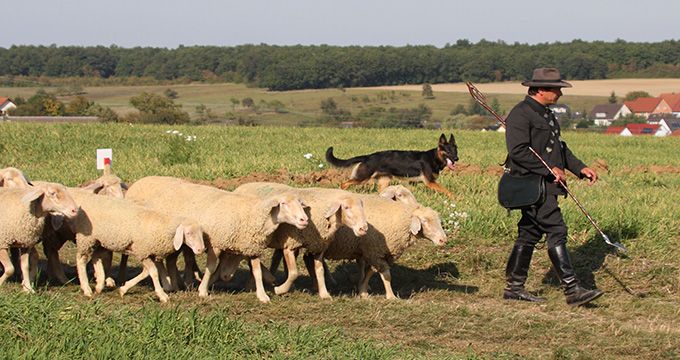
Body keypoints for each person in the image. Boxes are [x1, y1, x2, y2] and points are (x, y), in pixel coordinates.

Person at [502, 68, 603, 306]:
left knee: (529, 233)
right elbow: (518, 152)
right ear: (540, 89)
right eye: (556, 88)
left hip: (546, 183)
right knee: (557, 229)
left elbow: (559, 148)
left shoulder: (546, 114)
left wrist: (580, 168)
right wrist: (549, 168)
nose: (560, 92)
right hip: (532, 184)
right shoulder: (520, 114)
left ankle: (514, 288)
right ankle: (572, 290)